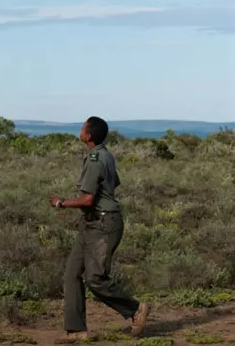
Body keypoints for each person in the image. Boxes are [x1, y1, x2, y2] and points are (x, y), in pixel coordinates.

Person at [50, 116, 150, 342]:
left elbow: (87, 200)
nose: (80, 130)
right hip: (92, 223)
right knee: (71, 274)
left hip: (103, 224)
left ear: (89, 135)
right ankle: (76, 331)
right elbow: (113, 184)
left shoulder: (95, 159)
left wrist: (61, 203)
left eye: (83, 127)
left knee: (95, 278)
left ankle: (135, 309)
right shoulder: (105, 155)